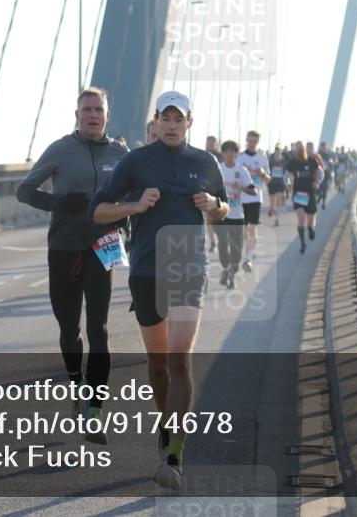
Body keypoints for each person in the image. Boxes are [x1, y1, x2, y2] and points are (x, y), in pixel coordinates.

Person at [90, 90, 227, 489]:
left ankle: (174, 455)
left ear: (190, 122)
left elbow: (225, 208)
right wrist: (134, 207)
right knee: (159, 366)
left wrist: (212, 203)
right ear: (156, 121)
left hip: (188, 267)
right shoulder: (136, 162)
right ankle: (167, 426)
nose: (171, 125)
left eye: (178, 118)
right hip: (147, 270)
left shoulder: (205, 161)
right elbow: (98, 210)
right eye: (165, 118)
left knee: (180, 360)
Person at [17, 87, 128, 443]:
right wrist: (61, 201)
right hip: (64, 249)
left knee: (100, 330)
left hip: (102, 248)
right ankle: (76, 385)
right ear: (77, 115)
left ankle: (95, 411)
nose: (93, 115)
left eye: (98, 110)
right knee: (69, 330)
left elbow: (131, 195)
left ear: (107, 115)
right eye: (86, 110)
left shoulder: (119, 152)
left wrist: (122, 216)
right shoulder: (60, 149)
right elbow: (24, 191)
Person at [217, 140, 256, 289]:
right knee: (222, 244)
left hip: (237, 216)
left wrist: (240, 187)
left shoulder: (242, 170)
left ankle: (231, 273)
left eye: (232, 151)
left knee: (236, 249)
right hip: (220, 214)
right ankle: (226, 268)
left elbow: (253, 190)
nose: (229, 154)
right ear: (223, 153)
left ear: (236, 154)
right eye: (226, 151)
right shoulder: (218, 169)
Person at [236, 130, 270, 271]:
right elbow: (234, 174)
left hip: (256, 198)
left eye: (254, 141)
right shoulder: (240, 157)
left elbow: (268, 179)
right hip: (241, 198)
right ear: (246, 140)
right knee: (243, 231)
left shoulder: (262, 158)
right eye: (250, 141)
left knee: (253, 229)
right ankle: (249, 250)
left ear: (257, 142)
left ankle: (249, 257)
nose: (252, 143)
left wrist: (262, 174)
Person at [286, 141, 319, 254]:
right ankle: (302, 243)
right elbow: (286, 175)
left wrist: (317, 182)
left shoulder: (312, 161)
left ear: (304, 149)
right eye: (297, 148)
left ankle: (310, 229)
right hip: (298, 195)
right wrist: (288, 184)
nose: (299, 150)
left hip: (310, 194)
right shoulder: (293, 163)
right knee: (301, 220)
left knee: (310, 221)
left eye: (301, 148)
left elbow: (321, 173)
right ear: (295, 150)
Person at [267, 143, 287, 226]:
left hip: (280, 183)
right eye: (276, 152)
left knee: (278, 200)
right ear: (274, 152)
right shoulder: (271, 161)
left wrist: (287, 181)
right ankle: (272, 209)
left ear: (281, 152)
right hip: (272, 183)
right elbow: (267, 171)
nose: (278, 153)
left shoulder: (284, 162)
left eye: (279, 152)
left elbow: (286, 173)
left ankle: (277, 219)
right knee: (272, 202)